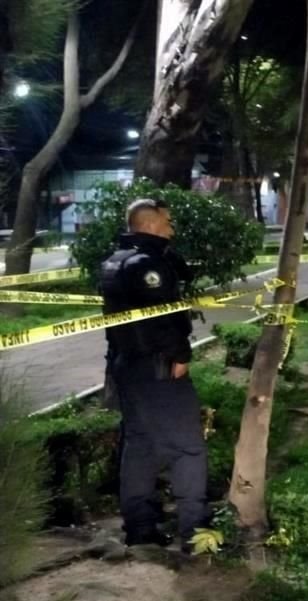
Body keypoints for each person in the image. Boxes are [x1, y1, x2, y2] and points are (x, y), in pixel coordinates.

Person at [99, 198, 207, 552]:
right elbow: (162, 317)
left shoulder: (117, 261)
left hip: (126, 366)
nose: (172, 228)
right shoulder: (148, 265)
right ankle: (195, 532)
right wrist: (180, 354)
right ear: (149, 225)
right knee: (188, 447)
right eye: (167, 222)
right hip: (159, 366)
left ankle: (140, 528)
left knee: (140, 445)